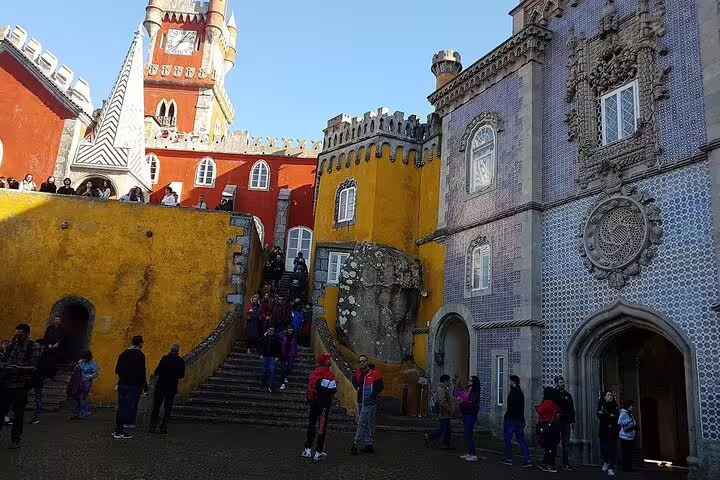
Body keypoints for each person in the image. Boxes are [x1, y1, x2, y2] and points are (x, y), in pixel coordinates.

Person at [0, 324, 41, 448]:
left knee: (18, 414)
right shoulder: (12, 345)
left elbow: (34, 366)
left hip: (21, 385)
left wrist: (18, 368)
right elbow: (4, 360)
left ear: (27, 333)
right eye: (17, 334)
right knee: (1, 412)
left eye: (21, 334)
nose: (18, 336)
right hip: (6, 383)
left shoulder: (34, 346)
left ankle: (15, 439)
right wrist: (5, 365)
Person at [302, 354, 337, 461]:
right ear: (325, 362)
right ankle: (318, 452)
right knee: (322, 427)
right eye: (328, 359)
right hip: (324, 405)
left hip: (313, 403)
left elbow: (309, 389)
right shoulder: (329, 374)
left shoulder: (314, 373)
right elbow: (333, 389)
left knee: (311, 425)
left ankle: (307, 449)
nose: (330, 360)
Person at [113, 335, 148, 440]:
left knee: (121, 406)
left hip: (122, 383)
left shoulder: (123, 354)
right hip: (133, 385)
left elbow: (117, 369)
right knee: (127, 407)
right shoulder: (140, 356)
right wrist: (145, 387)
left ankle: (118, 428)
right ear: (140, 343)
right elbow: (142, 373)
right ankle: (120, 431)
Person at [149, 344, 186, 434]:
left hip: (161, 385)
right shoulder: (181, 361)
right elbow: (182, 375)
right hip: (172, 386)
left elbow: (157, 371)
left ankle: (153, 426)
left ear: (171, 349)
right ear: (178, 351)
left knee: (156, 406)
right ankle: (164, 427)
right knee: (168, 408)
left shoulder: (164, 358)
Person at [500, 375, 532, 467]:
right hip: (520, 420)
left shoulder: (513, 392)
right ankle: (527, 458)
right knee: (521, 439)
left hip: (511, 420)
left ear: (513, 382)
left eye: (510, 382)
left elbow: (510, 408)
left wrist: (506, 416)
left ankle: (508, 458)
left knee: (507, 439)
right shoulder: (521, 393)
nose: (509, 383)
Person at [536, 386, 562, 473]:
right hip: (553, 427)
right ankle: (548, 463)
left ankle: (549, 465)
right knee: (551, 446)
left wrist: (536, 406)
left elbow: (540, 410)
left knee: (548, 446)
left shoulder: (547, 402)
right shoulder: (554, 403)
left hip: (547, 427)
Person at [424, 374, 454, 449]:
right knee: (444, 429)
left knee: (446, 429)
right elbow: (442, 401)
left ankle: (445, 443)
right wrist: (449, 409)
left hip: (444, 413)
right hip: (443, 413)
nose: (449, 382)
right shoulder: (442, 390)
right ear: (445, 381)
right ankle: (430, 437)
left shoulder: (443, 389)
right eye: (448, 380)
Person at [456, 375, 480, 462]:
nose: (468, 381)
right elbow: (459, 394)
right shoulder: (466, 390)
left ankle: (473, 454)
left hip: (471, 414)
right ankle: (470, 452)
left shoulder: (475, 393)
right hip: (465, 413)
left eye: (471, 381)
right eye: (469, 380)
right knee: (466, 434)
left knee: (469, 434)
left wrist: (463, 402)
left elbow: (473, 404)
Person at [69, 351, 99, 420]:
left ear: (88, 357)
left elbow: (95, 374)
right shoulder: (80, 362)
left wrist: (88, 377)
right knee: (77, 397)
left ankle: (85, 413)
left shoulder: (93, 364)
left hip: (86, 383)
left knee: (83, 398)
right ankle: (76, 413)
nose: (83, 359)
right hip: (78, 382)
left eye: (84, 358)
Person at [554, 375, 576, 469]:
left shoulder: (568, 395)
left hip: (566, 422)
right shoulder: (554, 394)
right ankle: (553, 461)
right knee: (555, 441)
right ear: (557, 384)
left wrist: (572, 421)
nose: (562, 384)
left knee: (565, 442)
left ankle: (565, 463)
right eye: (560, 382)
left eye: (563, 382)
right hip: (556, 421)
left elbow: (571, 409)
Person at [597, 390, 620, 476]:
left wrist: (605, 414)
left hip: (612, 431)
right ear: (604, 397)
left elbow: (616, 416)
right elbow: (599, 414)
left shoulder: (615, 406)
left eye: (611, 395)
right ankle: (606, 462)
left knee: (612, 450)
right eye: (608, 395)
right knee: (604, 449)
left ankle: (611, 468)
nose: (610, 396)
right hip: (603, 430)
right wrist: (609, 415)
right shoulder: (601, 405)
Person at [618, 400, 638, 472]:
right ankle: (626, 467)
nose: (633, 407)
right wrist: (628, 420)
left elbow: (633, 422)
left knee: (629, 453)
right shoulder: (624, 413)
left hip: (630, 435)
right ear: (628, 406)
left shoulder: (630, 413)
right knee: (626, 453)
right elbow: (619, 422)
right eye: (632, 406)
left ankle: (629, 466)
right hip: (625, 436)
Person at [259, 327, 281, 393]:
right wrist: (260, 354)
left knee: (272, 371)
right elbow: (259, 343)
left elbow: (279, 348)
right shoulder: (265, 337)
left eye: (273, 330)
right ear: (268, 330)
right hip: (265, 356)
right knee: (264, 371)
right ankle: (263, 385)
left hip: (272, 357)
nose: (271, 331)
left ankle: (272, 386)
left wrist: (278, 356)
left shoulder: (276, 338)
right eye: (270, 330)